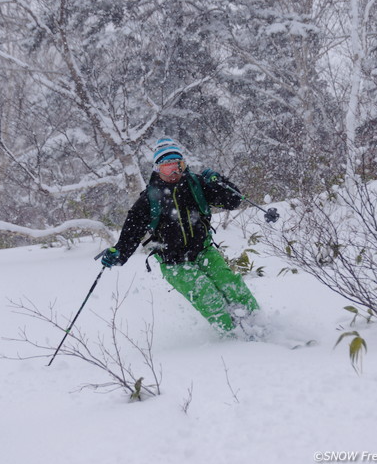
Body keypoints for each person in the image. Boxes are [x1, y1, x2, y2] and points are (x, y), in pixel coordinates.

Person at [100, 138, 260, 334]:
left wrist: (219, 181)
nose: (175, 172)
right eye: (168, 168)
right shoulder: (149, 199)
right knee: (206, 294)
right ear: (158, 169)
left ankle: (259, 325)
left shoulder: (197, 185)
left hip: (204, 251)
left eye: (178, 166)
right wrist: (118, 253)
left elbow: (233, 201)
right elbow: (132, 232)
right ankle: (234, 334)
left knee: (231, 285)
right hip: (174, 263)